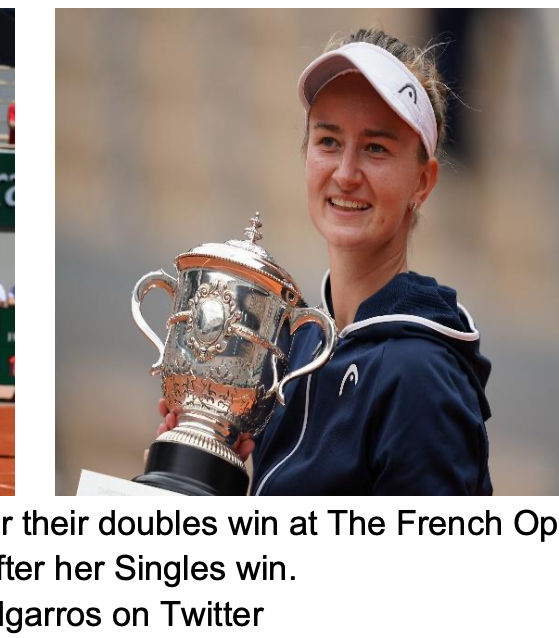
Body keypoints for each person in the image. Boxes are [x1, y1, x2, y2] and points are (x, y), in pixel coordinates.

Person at [156, 29, 492, 495]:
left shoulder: (420, 376)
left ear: (422, 182)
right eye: (329, 141)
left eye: (376, 148)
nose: (346, 173)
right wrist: (200, 467)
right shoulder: (297, 346)